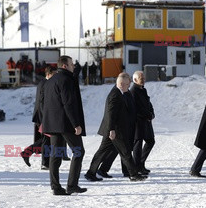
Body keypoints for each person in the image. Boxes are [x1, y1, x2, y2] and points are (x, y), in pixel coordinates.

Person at [84, 72, 146, 182]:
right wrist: (111, 130)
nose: (129, 86)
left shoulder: (120, 92)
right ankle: (133, 174)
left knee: (102, 152)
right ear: (121, 84)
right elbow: (110, 114)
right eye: (127, 84)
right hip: (115, 130)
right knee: (125, 151)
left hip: (113, 129)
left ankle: (91, 173)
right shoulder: (115, 95)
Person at [42, 56, 87, 196]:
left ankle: (55, 187)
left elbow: (45, 104)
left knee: (56, 155)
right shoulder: (66, 80)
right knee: (79, 151)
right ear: (65, 66)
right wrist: (76, 124)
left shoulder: (50, 81)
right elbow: (68, 104)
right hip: (66, 124)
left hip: (53, 124)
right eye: (72, 64)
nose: (74, 65)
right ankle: (72, 185)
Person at [20, 66, 57, 169]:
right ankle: (44, 162)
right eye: (54, 75)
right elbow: (42, 102)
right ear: (48, 74)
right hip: (42, 116)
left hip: (42, 115)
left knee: (46, 139)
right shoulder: (45, 84)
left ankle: (29, 154)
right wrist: (45, 118)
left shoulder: (43, 83)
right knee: (46, 139)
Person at [131, 71, 155, 174]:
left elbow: (148, 103)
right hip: (138, 122)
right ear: (135, 80)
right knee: (138, 144)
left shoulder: (143, 90)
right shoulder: (133, 91)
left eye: (144, 78)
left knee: (150, 141)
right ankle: (137, 167)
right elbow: (136, 108)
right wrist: (147, 115)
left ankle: (141, 164)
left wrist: (152, 113)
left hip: (146, 121)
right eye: (141, 78)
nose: (144, 80)